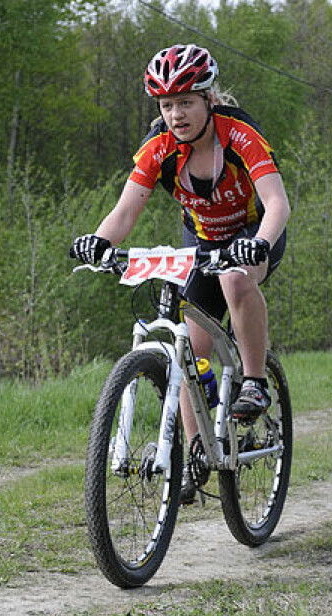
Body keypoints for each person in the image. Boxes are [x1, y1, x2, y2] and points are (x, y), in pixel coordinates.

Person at [69, 44, 290, 504]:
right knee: (190, 348)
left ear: (208, 99)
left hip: (253, 232)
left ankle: (254, 381)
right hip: (203, 241)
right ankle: (194, 454)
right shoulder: (159, 148)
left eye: (186, 102)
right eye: (167, 105)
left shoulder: (239, 135)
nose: (176, 114)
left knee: (235, 278)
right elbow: (124, 212)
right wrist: (99, 241)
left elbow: (277, 204)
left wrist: (260, 244)